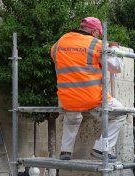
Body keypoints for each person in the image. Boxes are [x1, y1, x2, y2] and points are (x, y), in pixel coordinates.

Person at [51, 17, 126, 162]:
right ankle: (101, 149)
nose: (99, 36)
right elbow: (116, 68)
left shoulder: (59, 42)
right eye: (99, 33)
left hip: (66, 98)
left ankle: (65, 151)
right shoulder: (96, 44)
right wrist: (114, 49)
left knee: (72, 118)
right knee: (120, 113)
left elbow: (59, 59)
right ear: (94, 31)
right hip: (91, 98)